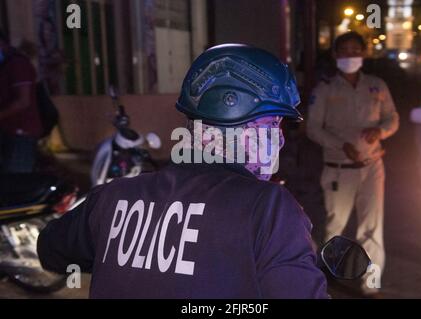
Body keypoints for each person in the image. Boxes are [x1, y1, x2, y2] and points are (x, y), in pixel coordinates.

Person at [37, 44, 328, 299]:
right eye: (271, 126)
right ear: (230, 127)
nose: (279, 139)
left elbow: (49, 249)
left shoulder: (112, 196)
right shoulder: (269, 208)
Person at [307, 31, 399, 296]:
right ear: (336, 55)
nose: (351, 55)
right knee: (336, 227)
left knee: (372, 226)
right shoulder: (325, 89)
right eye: (344, 50)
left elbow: (392, 117)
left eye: (355, 50)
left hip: (372, 167)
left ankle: (371, 285)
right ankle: (326, 277)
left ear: (364, 53)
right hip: (339, 169)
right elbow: (313, 128)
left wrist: (380, 131)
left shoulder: (377, 85)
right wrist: (341, 145)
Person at [0, 30, 42, 173]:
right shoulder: (6, 65)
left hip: (21, 135)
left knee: (17, 182)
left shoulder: (18, 64)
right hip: (10, 134)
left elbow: (23, 101)